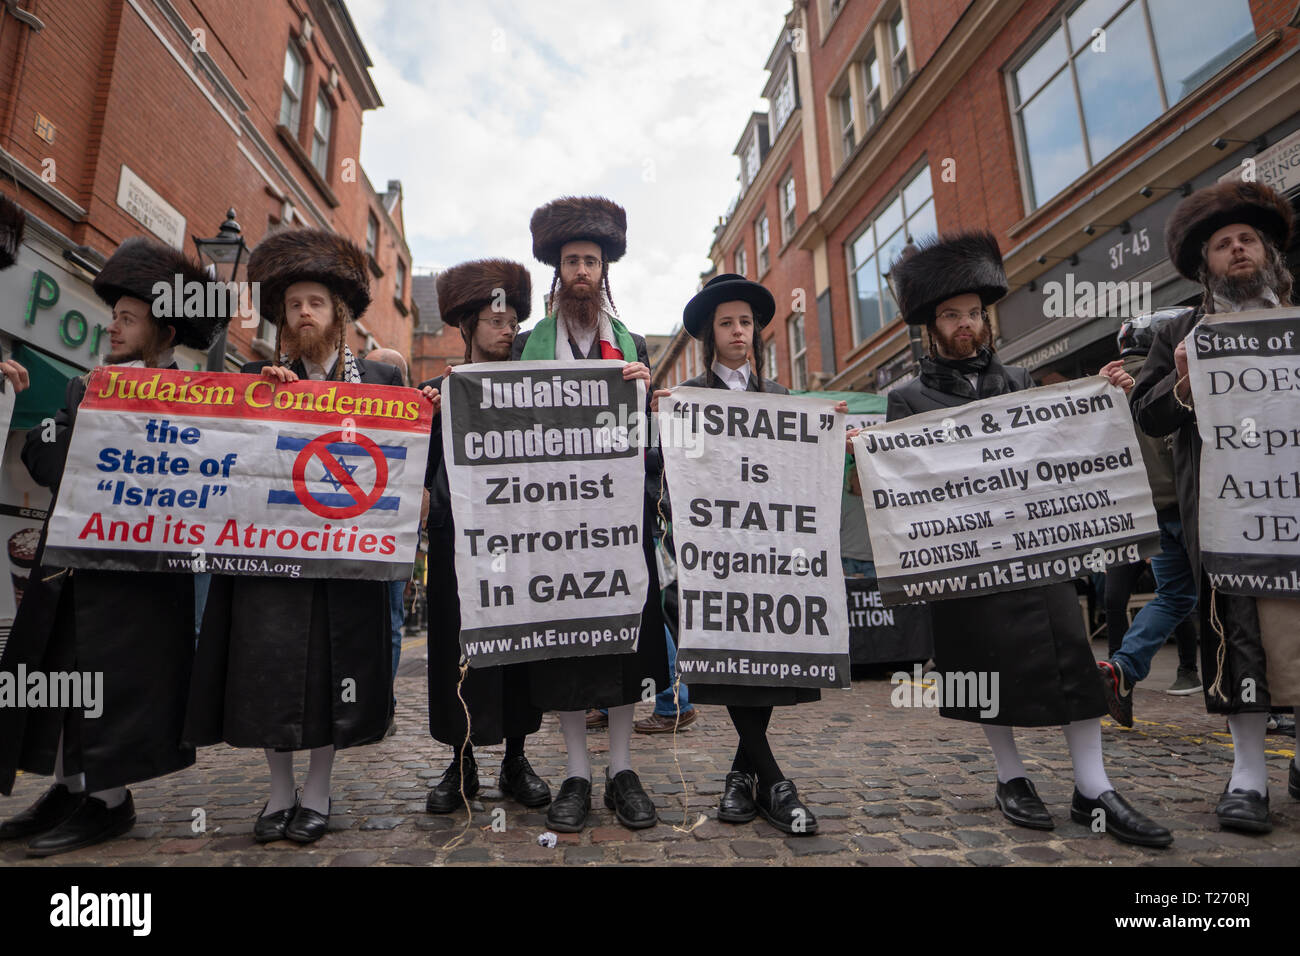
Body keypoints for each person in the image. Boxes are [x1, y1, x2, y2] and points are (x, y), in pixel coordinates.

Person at [885, 231, 1171, 847]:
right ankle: (1010, 776)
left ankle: (1092, 785)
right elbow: (901, 483)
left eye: (973, 313)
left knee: (1070, 652)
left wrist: (1106, 399)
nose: (966, 324)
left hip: (1035, 552)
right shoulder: (904, 398)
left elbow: (1059, 445)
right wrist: (868, 457)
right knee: (983, 663)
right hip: (963, 558)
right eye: (952, 315)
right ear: (931, 326)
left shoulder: (1016, 378)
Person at [0, 234, 220, 856]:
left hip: (142, 574)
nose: (114, 328)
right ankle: (69, 789)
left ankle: (110, 801)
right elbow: (46, 458)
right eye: (113, 317)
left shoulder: (199, 400)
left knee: (120, 680)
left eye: (128, 318)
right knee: (61, 671)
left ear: (164, 328)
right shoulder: (81, 388)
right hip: (68, 561)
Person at [185, 228, 406, 844]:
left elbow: (408, 458)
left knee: (330, 672)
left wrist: (433, 410)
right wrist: (259, 405)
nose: (304, 313)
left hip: (345, 562)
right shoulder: (254, 378)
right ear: (282, 317)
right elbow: (223, 457)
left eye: (316, 303)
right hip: (268, 561)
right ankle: (278, 792)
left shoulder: (382, 384)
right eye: (293, 305)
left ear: (338, 314)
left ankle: (317, 790)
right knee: (269, 668)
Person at [1130, 180, 1299, 833]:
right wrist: (1179, 379)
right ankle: (1248, 776)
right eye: (1223, 243)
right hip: (1230, 517)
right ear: (1207, 262)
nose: (1236, 250)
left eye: (1246, 240)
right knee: (1242, 640)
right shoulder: (1180, 327)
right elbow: (1147, 414)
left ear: (1266, 252)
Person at [510, 195, 668, 832]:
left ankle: (622, 769)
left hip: (620, 521)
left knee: (625, 642)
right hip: (555, 527)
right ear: (558, 270)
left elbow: (655, 442)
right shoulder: (529, 345)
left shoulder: (632, 347)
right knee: (566, 647)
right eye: (572, 260)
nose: (582, 271)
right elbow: (505, 430)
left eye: (592, 262)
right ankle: (576, 770)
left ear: (605, 272)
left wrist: (647, 393)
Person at [650, 273, 824, 833]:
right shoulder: (688, 401)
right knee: (728, 660)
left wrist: (829, 436)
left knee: (766, 659)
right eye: (727, 323)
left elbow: (799, 475)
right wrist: (662, 424)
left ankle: (742, 775)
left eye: (745, 322)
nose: (738, 331)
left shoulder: (782, 401)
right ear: (711, 334)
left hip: (771, 554)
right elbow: (666, 476)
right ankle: (774, 780)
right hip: (716, 556)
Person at [416, 258, 550, 814]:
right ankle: (461, 761)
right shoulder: (433, 394)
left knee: (520, 645)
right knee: (455, 650)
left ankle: (516, 758)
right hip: (456, 546)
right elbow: (412, 477)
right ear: (467, 325)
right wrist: (425, 420)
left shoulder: (539, 392)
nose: (509, 326)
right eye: (496, 318)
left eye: (515, 318)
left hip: (520, 543)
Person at [1096, 311, 1202, 727]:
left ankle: (1123, 666)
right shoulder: (1178, 374)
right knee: (1228, 595)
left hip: (1152, 515)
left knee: (1173, 596)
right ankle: (1245, 692)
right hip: (1193, 506)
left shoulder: (1111, 389)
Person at [367, 346, 413, 736]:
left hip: (393, 537)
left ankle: (383, 702)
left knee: (391, 622)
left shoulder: (412, 420)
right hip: (354, 537)